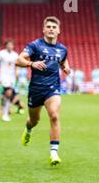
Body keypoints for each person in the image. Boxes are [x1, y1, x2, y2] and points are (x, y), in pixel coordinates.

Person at [17, 16, 71, 166]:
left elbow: (63, 60)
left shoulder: (62, 49)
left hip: (52, 89)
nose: (51, 29)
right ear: (44, 29)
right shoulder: (35, 45)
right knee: (34, 120)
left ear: (58, 30)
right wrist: (31, 63)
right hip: (35, 89)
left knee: (54, 115)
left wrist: (66, 67)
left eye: (54, 27)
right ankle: (28, 130)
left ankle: (54, 153)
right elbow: (19, 59)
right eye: (49, 26)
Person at [0, 39, 24, 121]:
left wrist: (17, 72)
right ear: (6, 45)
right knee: (8, 92)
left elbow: (17, 65)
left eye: (11, 45)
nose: (10, 46)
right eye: (8, 44)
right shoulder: (1, 53)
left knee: (7, 94)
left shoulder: (15, 55)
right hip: (3, 76)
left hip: (12, 77)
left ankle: (6, 110)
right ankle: (5, 113)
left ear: (13, 46)